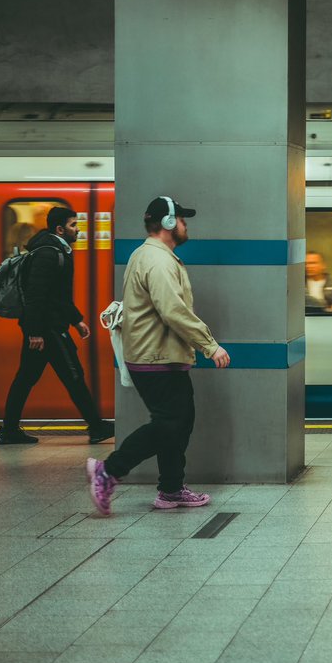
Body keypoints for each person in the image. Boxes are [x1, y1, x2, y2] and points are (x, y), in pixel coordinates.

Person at [86, 196, 231, 516]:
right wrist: (210, 345)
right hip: (156, 357)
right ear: (168, 223)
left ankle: (170, 489)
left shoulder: (148, 255)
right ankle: (109, 471)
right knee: (169, 424)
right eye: (181, 219)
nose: (185, 225)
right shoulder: (159, 261)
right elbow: (174, 310)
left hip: (162, 355)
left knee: (180, 422)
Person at [0, 207, 114, 446]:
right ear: (60, 229)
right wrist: (35, 332)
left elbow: (57, 295)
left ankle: (9, 429)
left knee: (26, 377)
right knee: (73, 375)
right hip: (48, 330)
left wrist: (76, 320)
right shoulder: (48, 254)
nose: (77, 230)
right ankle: (96, 426)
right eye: (73, 225)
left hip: (48, 325)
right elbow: (37, 295)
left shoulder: (55, 250)